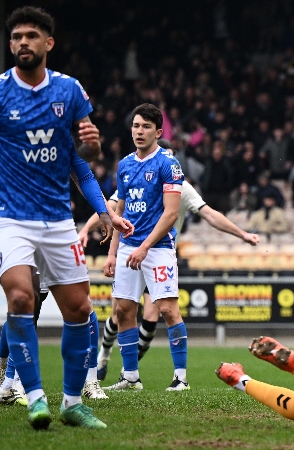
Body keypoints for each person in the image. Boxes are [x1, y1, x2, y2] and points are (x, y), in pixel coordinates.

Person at [0, 6, 131, 429]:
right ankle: (31, 396)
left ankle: (71, 403)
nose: (22, 43)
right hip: (7, 217)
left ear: (48, 43)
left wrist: (96, 160)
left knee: (80, 309)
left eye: (31, 35)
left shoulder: (69, 91)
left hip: (56, 219)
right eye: (15, 37)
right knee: (21, 298)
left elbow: (81, 160)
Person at [84, 140, 260, 385]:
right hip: (131, 250)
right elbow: (113, 209)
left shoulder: (180, 186)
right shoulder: (132, 171)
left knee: (158, 314)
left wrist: (242, 234)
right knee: (120, 311)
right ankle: (110, 359)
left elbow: (210, 214)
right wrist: (87, 231)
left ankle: (168, 376)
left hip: (159, 253)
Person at [0, 147, 126, 405]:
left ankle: (89, 381)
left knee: (82, 305)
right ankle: (8, 373)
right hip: (16, 225)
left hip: (57, 226)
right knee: (26, 302)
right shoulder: (5, 128)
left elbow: (85, 175)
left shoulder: (60, 128)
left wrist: (104, 212)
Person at [102, 104, 190, 392]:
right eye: (136, 126)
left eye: (146, 127)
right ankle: (130, 377)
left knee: (167, 309)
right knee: (124, 310)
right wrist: (113, 253)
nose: (139, 132)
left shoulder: (168, 164)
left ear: (158, 132)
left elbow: (171, 214)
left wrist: (145, 246)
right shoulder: (125, 165)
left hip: (158, 247)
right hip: (128, 247)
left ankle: (180, 378)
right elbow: (121, 213)